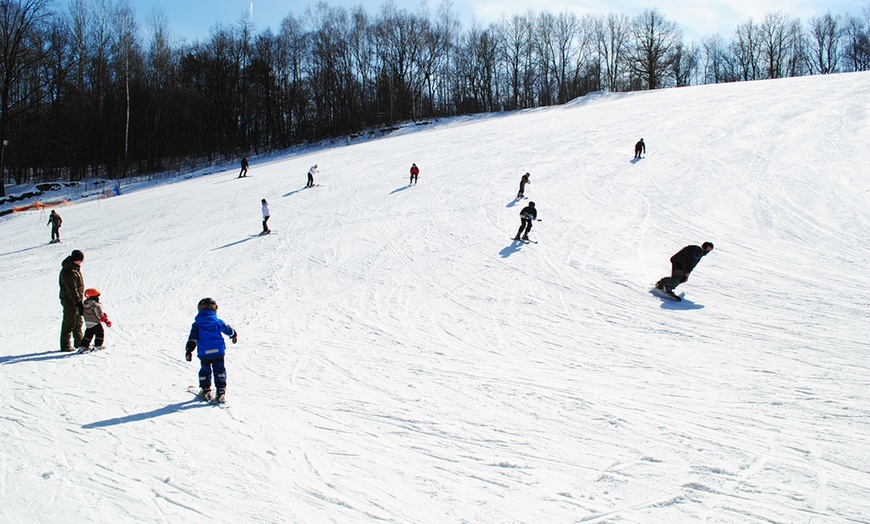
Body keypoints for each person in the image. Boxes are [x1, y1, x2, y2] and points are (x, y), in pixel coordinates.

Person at [185, 297, 238, 403]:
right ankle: (221, 391)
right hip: (218, 351)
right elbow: (227, 330)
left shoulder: (197, 325)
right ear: (214, 309)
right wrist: (234, 334)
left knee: (205, 369)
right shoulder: (218, 322)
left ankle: (205, 389)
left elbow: (192, 339)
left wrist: (189, 351)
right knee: (219, 369)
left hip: (204, 352)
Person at [58, 249, 85, 352]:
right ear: (75, 259)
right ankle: (65, 345)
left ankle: (79, 342)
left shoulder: (74, 268)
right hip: (70, 300)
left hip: (75, 300)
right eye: (80, 260)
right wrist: (78, 302)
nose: (81, 263)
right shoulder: (69, 271)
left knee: (78, 321)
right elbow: (72, 290)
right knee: (69, 322)